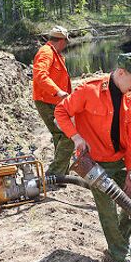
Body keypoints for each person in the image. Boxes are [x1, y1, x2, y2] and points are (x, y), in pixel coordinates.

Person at [54, 53, 131, 262]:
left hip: (119, 159)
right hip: (94, 163)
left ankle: (121, 242)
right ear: (121, 73)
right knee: (107, 209)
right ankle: (119, 258)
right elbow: (61, 112)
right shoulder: (90, 90)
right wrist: (76, 137)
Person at [32, 25, 74, 178]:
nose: (66, 45)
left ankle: (61, 175)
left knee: (59, 136)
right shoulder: (46, 52)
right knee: (69, 136)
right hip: (47, 100)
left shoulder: (54, 53)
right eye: (66, 42)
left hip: (54, 101)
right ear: (61, 40)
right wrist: (57, 91)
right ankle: (54, 174)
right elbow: (40, 75)